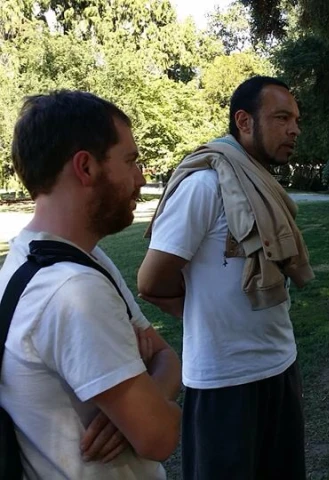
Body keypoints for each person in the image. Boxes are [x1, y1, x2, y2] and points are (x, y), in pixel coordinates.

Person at [137, 76, 313, 479]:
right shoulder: (204, 184)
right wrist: (202, 314)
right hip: (223, 383)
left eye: (297, 120)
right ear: (244, 121)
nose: (294, 129)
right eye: (282, 117)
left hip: (281, 366)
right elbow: (151, 282)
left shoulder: (264, 184)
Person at [0, 90, 181, 478]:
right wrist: (151, 405)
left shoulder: (55, 257)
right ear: (85, 167)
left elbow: (166, 356)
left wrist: (136, 405)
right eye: (130, 161)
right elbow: (161, 437)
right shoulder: (72, 291)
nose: (141, 178)